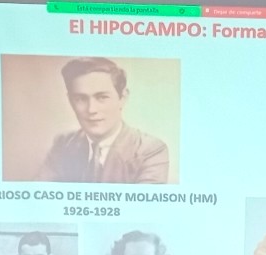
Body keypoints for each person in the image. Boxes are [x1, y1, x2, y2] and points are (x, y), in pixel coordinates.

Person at [36, 57, 169, 184]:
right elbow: (40, 195)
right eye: (80, 99)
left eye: (102, 97)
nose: (91, 109)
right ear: (71, 101)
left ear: (122, 98)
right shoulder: (63, 144)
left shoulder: (150, 150)